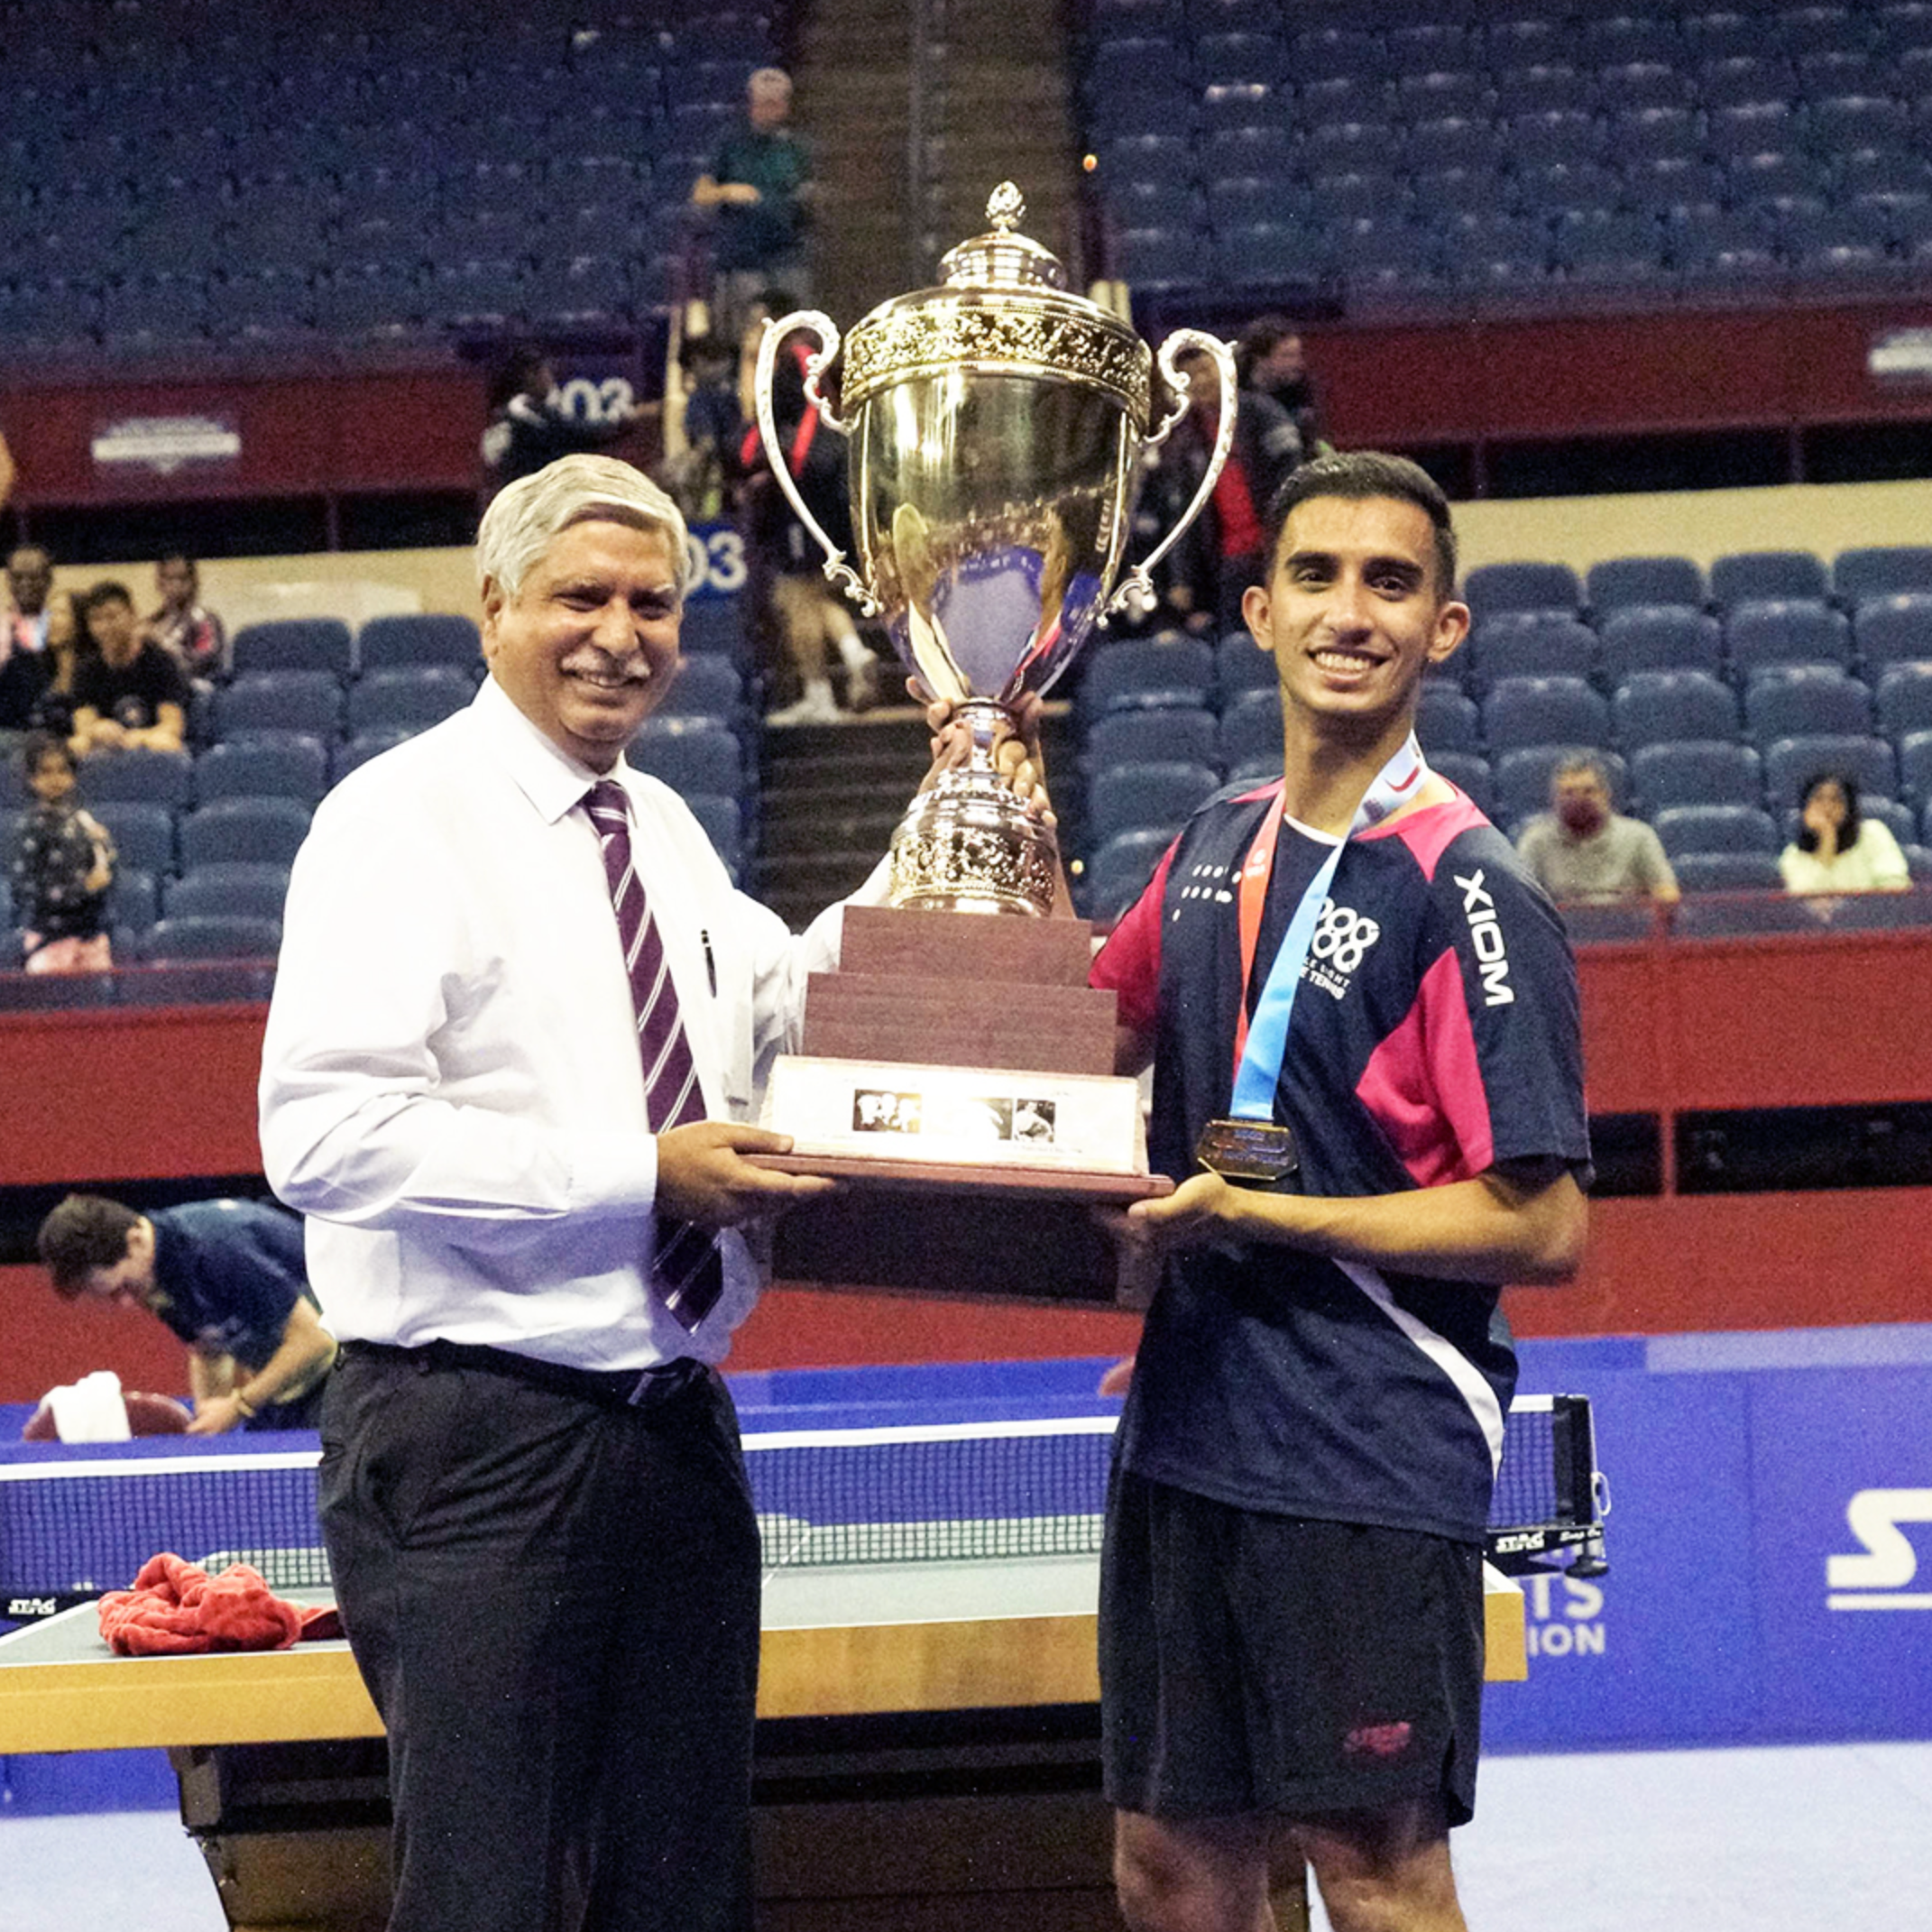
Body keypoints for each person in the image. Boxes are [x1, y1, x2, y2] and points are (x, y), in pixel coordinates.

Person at [257, 453, 1041, 1932]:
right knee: (486, 1896)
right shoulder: (398, 820)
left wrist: (943, 825)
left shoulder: (662, 829)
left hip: (672, 1431)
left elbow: (792, 1011)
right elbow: (325, 1132)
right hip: (473, 1433)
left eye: (653, 602)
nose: (620, 630)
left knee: (682, 1891)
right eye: (580, 596)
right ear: (493, 606)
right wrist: (639, 1176)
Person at [1084, 452, 1590, 1932]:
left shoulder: (1467, 885)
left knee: (1371, 1870)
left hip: (1362, 1443)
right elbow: (1086, 1043)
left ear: (1444, 627)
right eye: (1315, 575)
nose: (1348, 610)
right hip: (1183, 1430)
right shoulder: (1207, 845)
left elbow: (1543, 1223)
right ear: (1256, 609)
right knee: (1169, 1871)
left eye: (1390, 582)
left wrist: (1263, 1213)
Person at [35, 1194, 335, 1433]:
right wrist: (207, 1420)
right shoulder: (157, 1274)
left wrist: (238, 1406)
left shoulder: (217, 1249)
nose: (126, 1303)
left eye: (124, 1286)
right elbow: (209, 1351)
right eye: (112, 1296)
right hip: (289, 1392)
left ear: (136, 1239)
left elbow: (316, 1341)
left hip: (347, 1373)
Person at [749, 331, 878, 723]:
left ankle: (820, 694)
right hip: (827, 511)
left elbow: (764, 437)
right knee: (813, 599)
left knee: (795, 597)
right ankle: (853, 652)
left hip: (806, 511)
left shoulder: (795, 380)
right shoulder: (836, 401)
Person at [1141, 343, 1302, 637]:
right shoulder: (1183, 440)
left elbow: (1294, 480)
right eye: (1188, 377)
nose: (1200, 382)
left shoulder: (1263, 413)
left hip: (1276, 552)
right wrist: (1182, 579)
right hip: (1227, 564)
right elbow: (1181, 515)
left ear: (1224, 368)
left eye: (1204, 370)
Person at [690, 67, 814, 348]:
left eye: (777, 102)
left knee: (797, 337)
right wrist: (729, 191)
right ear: (752, 103)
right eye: (764, 102)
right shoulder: (729, 143)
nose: (770, 109)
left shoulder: (797, 147)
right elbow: (700, 194)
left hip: (788, 257)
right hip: (741, 261)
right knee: (743, 338)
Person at [10, 731, 115, 971]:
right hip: (50, 938)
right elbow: (23, 888)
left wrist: (107, 851)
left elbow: (106, 875)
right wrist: (80, 889)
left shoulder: (84, 822)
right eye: (45, 772)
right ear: (31, 778)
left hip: (90, 936)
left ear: (73, 776)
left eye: (62, 771)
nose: (55, 779)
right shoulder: (30, 827)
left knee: (95, 1006)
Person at [1514, 753, 1679, 906]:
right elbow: (1521, 901)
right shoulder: (1535, 841)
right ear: (1554, 799)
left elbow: (1667, 894)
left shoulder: (1639, 836)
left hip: (1626, 932)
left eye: (1588, 791)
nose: (1579, 800)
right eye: (1569, 793)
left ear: (1606, 794)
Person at [481, 345, 639, 489]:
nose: (550, 379)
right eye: (546, 372)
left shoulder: (517, 412)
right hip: (531, 496)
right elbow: (575, 435)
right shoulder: (524, 415)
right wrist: (621, 420)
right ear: (531, 375)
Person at [69, 580, 190, 756]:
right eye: (96, 619)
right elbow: (83, 726)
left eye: (112, 617)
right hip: (106, 749)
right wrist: (97, 728)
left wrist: (138, 737)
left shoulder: (161, 662)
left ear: (132, 615)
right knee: (76, 745)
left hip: (149, 744)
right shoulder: (86, 669)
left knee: (168, 743)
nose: (104, 627)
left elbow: (172, 726)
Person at [1780, 770, 1911, 895]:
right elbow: (1809, 903)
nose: (1827, 806)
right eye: (1819, 799)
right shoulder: (1793, 855)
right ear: (1805, 808)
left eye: (1836, 799)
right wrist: (1827, 840)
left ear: (1849, 807)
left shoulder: (1873, 833)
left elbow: (1895, 884)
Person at [1237, 316, 1324, 464]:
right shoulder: (1234, 395)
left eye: (1298, 355)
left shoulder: (1302, 393)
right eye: (1287, 356)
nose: (1297, 364)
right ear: (1260, 358)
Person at [143, 551, 227, 676]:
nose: (176, 585)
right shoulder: (150, 624)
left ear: (194, 581)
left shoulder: (206, 620)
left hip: (197, 687)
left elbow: (204, 662)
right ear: (160, 583)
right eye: (169, 579)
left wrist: (164, 649)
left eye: (183, 578)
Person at [7, 544, 54, 658]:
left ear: (48, 580)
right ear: (8, 581)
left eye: (33, 577)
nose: (25, 584)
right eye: (18, 577)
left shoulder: (63, 626)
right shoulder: (3, 627)